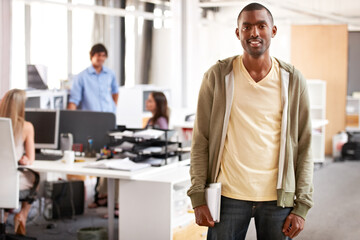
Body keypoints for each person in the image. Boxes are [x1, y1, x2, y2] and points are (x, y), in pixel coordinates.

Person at [187, 3, 314, 240]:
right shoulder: (218, 76)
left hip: (277, 198)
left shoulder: (293, 80)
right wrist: (197, 196)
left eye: (261, 26)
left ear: (273, 31)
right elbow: (201, 139)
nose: (254, 33)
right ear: (238, 33)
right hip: (227, 196)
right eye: (247, 27)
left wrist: (302, 205)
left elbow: (305, 146)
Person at [0, 89, 36, 235]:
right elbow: (31, 158)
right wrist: (26, 159)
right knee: (36, 178)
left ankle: (4, 216)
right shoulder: (26, 127)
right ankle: (23, 214)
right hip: (11, 182)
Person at [67, 43, 119, 114]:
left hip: (108, 115)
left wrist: (113, 107)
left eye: (103, 55)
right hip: (91, 117)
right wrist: (69, 117)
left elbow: (115, 91)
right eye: (98, 55)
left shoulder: (110, 74)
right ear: (92, 56)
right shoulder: (81, 77)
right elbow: (74, 100)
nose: (101, 58)